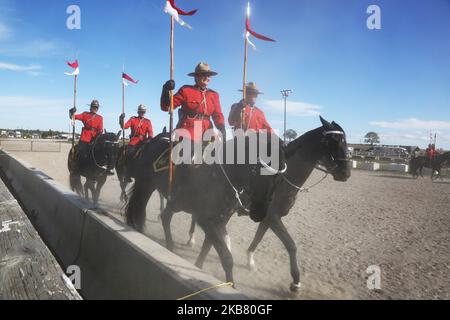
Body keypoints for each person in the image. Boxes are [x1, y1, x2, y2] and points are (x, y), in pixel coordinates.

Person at [160, 62, 226, 144]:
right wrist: (166, 90)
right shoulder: (186, 90)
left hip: (207, 134)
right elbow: (166, 107)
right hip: (188, 133)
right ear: (196, 77)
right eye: (204, 75)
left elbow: (218, 115)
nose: (207, 77)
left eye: (209, 75)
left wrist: (222, 129)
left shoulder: (214, 95)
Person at [119, 104, 154, 181]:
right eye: (141, 111)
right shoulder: (133, 119)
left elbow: (151, 132)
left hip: (144, 142)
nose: (142, 113)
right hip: (134, 141)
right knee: (129, 153)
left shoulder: (148, 121)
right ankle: (128, 173)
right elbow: (124, 127)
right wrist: (121, 119)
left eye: (143, 112)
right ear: (138, 112)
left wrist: (150, 138)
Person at [69, 100, 105, 169]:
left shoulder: (100, 117)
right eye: (94, 107)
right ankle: (77, 166)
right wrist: (71, 112)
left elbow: (100, 129)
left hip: (95, 138)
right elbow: (73, 117)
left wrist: (99, 136)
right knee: (81, 151)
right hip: (85, 137)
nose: (95, 108)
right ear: (91, 107)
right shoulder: (85, 114)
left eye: (97, 107)